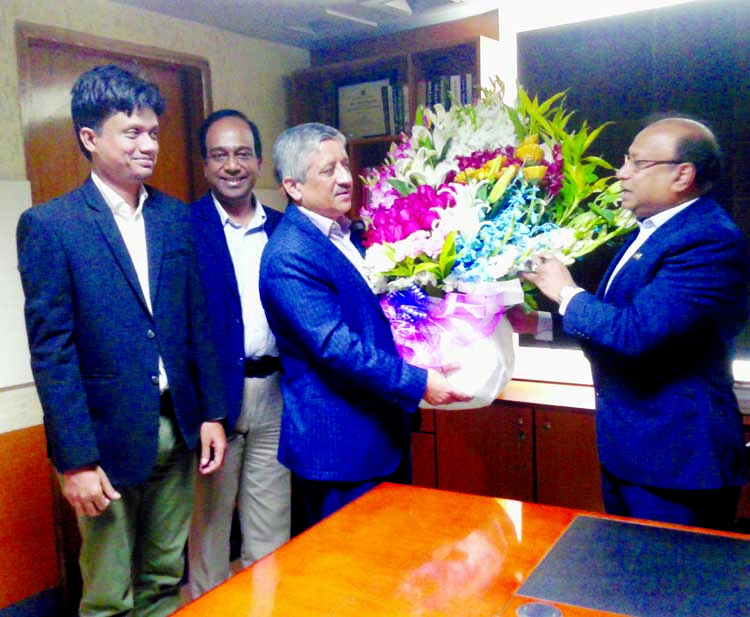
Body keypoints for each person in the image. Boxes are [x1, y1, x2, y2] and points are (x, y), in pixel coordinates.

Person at [16, 64, 227, 617]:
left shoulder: (175, 219)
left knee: (163, 578)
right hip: (103, 441)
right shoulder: (52, 226)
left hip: (178, 427)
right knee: (109, 593)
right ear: (90, 138)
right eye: (132, 132)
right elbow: (52, 352)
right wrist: (75, 462)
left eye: (153, 132)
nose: (148, 145)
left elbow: (195, 324)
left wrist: (211, 414)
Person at [510, 116, 749, 529]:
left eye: (638, 163)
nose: (622, 173)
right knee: (631, 577)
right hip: (633, 448)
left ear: (682, 175)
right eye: (626, 160)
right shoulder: (652, 230)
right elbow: (619, 321)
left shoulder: (708, 240)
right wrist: (541, 325)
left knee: (670, 584)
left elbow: (636, 333)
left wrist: (566, 292)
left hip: (680, 459)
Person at [259, 122, 470, 528]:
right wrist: (418, 381)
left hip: (379, 432)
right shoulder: (289, 255)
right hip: (340, 447)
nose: (344, 178)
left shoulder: (346, 234)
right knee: (349, 575)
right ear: (294, 187)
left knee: (390, 566)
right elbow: (337, 346)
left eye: (344, 164)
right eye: (328, 170)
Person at [187, 109, 290, 597]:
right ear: (205, 164)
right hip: (214, 404)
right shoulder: (182, 229)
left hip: (276, 395)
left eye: (243, 154)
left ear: (259, 161)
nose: (233, 165)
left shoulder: (285, 229)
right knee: (208, 537)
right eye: (220, 155)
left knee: (271, 534)